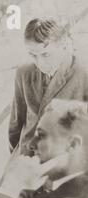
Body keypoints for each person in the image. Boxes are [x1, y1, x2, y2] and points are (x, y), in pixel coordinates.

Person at [9, 17, 88, 156]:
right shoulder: (23, 72)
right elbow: (15, 125)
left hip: (66, 162)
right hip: (28, 157)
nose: (40, 63)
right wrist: (20, 160)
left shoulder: (83, 73)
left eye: (46, 54)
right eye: (33, 55)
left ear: (63, 44)